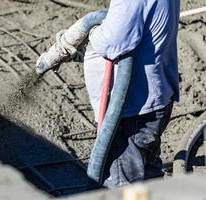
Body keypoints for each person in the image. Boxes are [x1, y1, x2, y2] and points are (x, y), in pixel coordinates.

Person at [37, 0, 180, 188]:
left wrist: (90, 31)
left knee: (120, 184)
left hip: (132, 107)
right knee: (146, 176)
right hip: (153, 97)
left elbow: (114, 42)